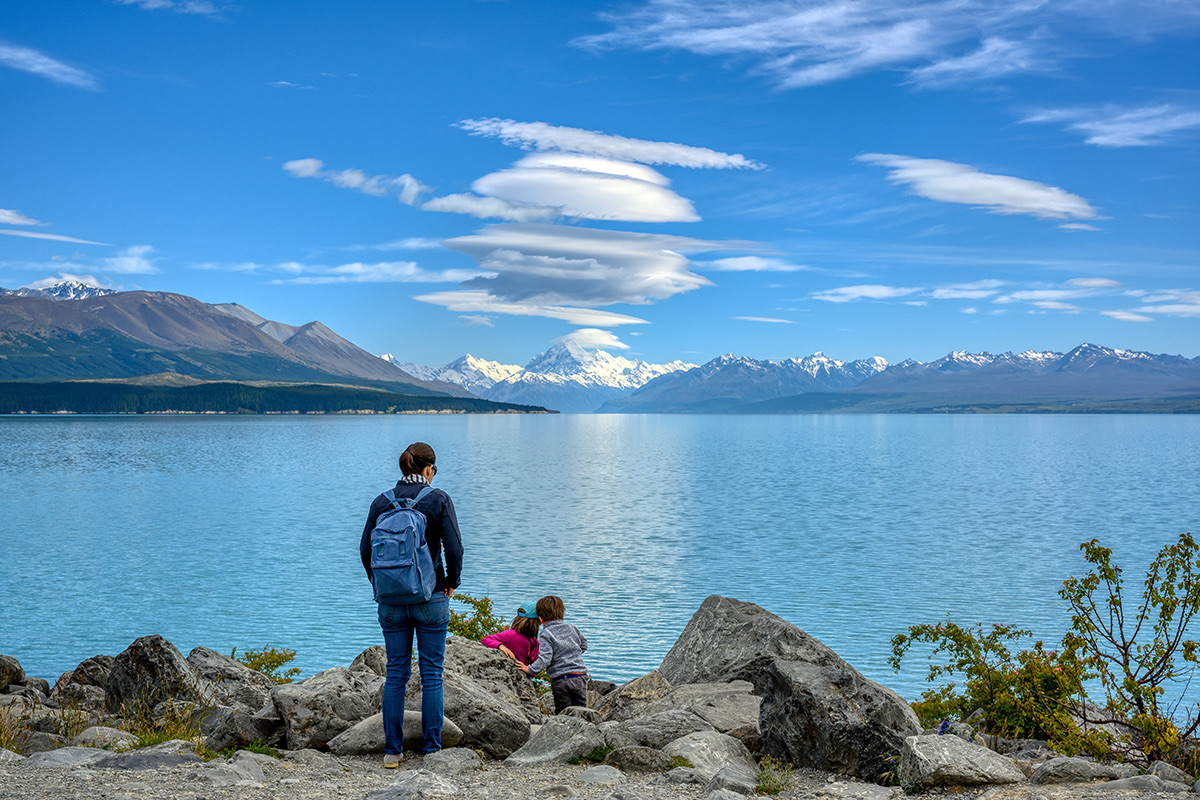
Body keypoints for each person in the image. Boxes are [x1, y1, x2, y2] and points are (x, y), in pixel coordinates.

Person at [360, 442, 464, 768]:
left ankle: (392, 751)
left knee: (395, 675)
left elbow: (365, 550)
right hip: (430, 597)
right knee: (432, 674)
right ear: (429, 469)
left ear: (404, 468)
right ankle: (431, 749)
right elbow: (455, 549)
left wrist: (381, 586)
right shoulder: (438, 499)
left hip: (390, 601)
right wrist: (450, 583)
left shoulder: (382, 501)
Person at [519, 595, 589, 713]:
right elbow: (584, 645)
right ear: (562, 614)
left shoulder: (546, 633)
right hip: (579, 676)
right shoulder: (572, 627)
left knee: (563, 712)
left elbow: (545, 659)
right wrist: (572, 654)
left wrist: (529, 669)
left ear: (540, 618)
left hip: (561, 680)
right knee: (581, 711)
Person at [480, 600, 541, 666]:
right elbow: (486, 640)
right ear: (536, 622)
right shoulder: (512, 635)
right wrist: (500, 646)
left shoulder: (534, 642)